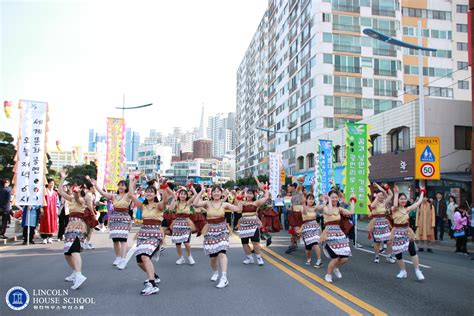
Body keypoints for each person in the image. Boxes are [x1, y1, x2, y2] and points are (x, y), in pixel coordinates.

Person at [128, 175, 169, 295]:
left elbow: (165, 200)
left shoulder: (159, 206)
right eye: (147, 191)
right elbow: (131, 195)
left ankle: (152, 284)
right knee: (140, 261)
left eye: (152, 192)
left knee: (145, 257)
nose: (149, 193)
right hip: (143, 234)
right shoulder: (143, 205)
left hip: (155, 235)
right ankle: (154, 276)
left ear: (156, 194)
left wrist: (163, 186)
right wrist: (133, 180)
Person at [193, 184, 241, 289]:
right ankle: (215, 272)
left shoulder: (225, 204)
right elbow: (195, 203)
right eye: (214, 191)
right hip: (210, 230)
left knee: (222, 252)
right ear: (211, 193)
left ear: (221, 193)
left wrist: (238, 197)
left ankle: (224, 277)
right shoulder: (207, 203)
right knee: (213, 258)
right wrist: (201, 191)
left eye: (218, 191)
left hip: (222, 229)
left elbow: (238, 208)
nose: (216, 193)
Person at [58, 171, 93, 290]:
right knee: (67, 253)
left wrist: (77, 192)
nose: (74, 187)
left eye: (77, 185)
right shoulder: (71, 198)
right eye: (74, 185)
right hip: (70, 226)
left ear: (81, 187)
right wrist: (62, 178)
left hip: (78, 226)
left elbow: (79, 199)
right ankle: (75, 272)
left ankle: (79, 275)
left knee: (74, 250)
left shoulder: (82, 199)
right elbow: (60, 192)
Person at [89, 176, 131, 269]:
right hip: (115, 218)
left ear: (126, 187)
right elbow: (103, 193)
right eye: (119, 185)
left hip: (124, 218)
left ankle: (123, 259)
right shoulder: (114, 196)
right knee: (115, 240)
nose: (121, 187)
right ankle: (118, 257)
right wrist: (96, 185)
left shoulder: (128, 195)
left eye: (123, 185)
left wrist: (132, 179)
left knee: (123, 240)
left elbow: (132, 190)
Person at [320, 190, 355, 283]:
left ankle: (335, 268)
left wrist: (352, 199)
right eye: (332, 197)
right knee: (335, 257)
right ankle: (328, 275)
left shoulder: (339, 209)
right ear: (329, 198)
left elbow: (351, 212)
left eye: (336, 197)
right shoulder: (325, 208)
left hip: (339, 234)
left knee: (344, 258)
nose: (335, 199)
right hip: (328, 233)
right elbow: (330, 212)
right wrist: (329, 200)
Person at [391, 186, 425, 280]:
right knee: (398, 254)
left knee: (412, 251)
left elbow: (418, 203)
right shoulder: (394, 209)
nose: (403, 200)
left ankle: (418, 271)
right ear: (398, 200)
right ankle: (403, 271)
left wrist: (422, 192)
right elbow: (394, 204)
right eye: (401, 199)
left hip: (406, 232)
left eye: (404, 199)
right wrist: (396, 193)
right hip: (397, 233)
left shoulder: (407, 209)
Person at [238, 177, 269, 266]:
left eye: (251, 194)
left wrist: (266, 188)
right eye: (247, 193)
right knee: (244, 243)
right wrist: (240, 194)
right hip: (244, 225)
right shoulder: (242, 203)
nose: (249, 195)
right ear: (245, 194)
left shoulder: (256, 203)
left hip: (253, 225)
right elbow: (238, 208)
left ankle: (259, 258)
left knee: (255, 242)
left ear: (254, 195)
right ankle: (249, 258)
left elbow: (266, 197)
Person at [168, 184, 199, 265]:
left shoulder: (188, 203)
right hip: (177, 224)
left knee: (186, 242)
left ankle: (189, 256)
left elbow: (195, 195)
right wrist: (174, 199)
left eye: (184, 194)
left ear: (187, 195)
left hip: (186, 224)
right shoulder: (177, 203)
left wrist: (191, 187)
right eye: (181, 194)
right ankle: (181, 258)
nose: (183, 195)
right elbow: (170, 209)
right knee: (177, 243)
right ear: (179, 195)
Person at [369, 183, 396, 264]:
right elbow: (372, 206)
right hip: (376, 223)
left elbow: (391, 194)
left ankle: (389, 256)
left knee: (389, 241)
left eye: (382, 195)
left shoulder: (384, 202)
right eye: (380, 195)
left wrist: (386, 187)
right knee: (377, 242)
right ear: (377, 196)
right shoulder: (375, 203)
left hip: (384, 223)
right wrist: (377, 196)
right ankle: (377, 256)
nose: (382, 196)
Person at [301, 193, 324, 268]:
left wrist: (328, 200)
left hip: (315, 227)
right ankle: (308, 258)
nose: (311, 200)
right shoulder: (302, 207)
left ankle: (319, 260)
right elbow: (304, 212)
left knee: (315, 243)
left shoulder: (314, 208)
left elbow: (322, 206)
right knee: (308, 247)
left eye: (312, 199)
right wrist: (303, 203)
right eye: (309, 199)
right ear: (306, 200)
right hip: (306, 228)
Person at [285, 181, 304, 254]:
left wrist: (301, 181)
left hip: (299, 215)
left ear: (293, 187)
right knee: (293, 232)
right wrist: (290, 208)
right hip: (293, 215)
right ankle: (293, 244)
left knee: (299, 231)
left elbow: (300, 188)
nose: (288, 188)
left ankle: (294, 244)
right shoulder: (289, 196)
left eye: (289, 186)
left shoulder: (297, 193)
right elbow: (289, 207)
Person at [40, 179, 59, 244]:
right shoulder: (44, 192)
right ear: (48, 184)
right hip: (46, 209)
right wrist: (41, 208)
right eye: (51, 183)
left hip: (52, 210)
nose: (52, 185)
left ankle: (50, 237)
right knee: (45, 223)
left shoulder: (55, 193)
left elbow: (57, 202)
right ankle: (44, 237)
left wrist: (57, 208)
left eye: (53, 183)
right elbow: (41, 200)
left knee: (52, 223)